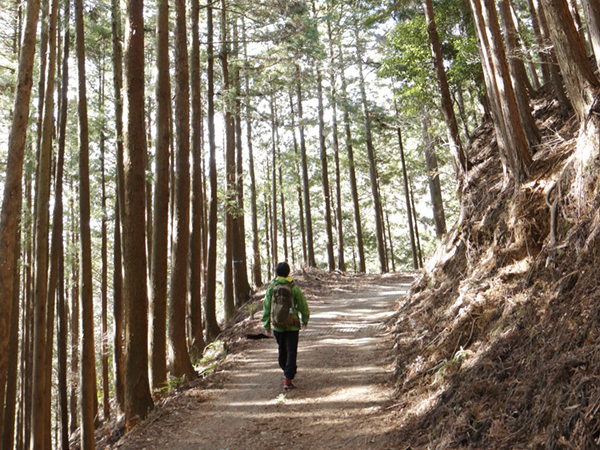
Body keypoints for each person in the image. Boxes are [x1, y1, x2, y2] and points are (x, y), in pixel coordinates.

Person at [262, 262, 310, 390]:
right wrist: (305, 320)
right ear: (288, 273)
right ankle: (288, 377)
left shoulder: (272, 288)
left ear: (277, 273)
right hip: (292, 326)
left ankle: (286, 371)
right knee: (291, 351)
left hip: (278, 326)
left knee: (282, 350)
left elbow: (266, 307)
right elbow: (302, 305)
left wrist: (266, 326)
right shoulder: (293, 288)